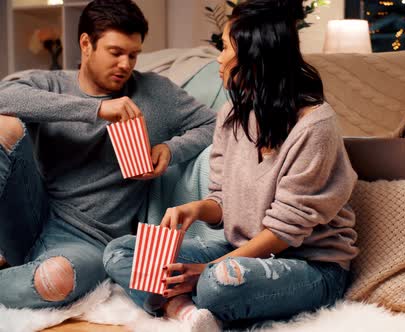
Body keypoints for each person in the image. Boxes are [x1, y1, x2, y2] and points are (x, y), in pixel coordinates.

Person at [103, 0, 359, 329]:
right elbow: (222, 200)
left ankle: (194, 299)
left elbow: (283, 233)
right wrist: (194, 209)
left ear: (255, 54)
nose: (219, 59)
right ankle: (183, 310)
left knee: (215, 285)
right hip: (238, 251)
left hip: (311, 266)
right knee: (120, 252)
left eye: (225, 47)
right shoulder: (232, 116)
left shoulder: (315, 126)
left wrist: (206, 272)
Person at [0, 0, 215, 309]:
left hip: (89, 239)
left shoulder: (156, 92)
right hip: (29, 213)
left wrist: (171, 149)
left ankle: (20, 275)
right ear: (86, 44)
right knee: (4, 126)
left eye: (133, 55)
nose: (126, 65)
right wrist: (97, 109)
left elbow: (214, 123)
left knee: (56, 279)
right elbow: (4, 98)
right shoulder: (52, 85)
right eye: (116, 53)